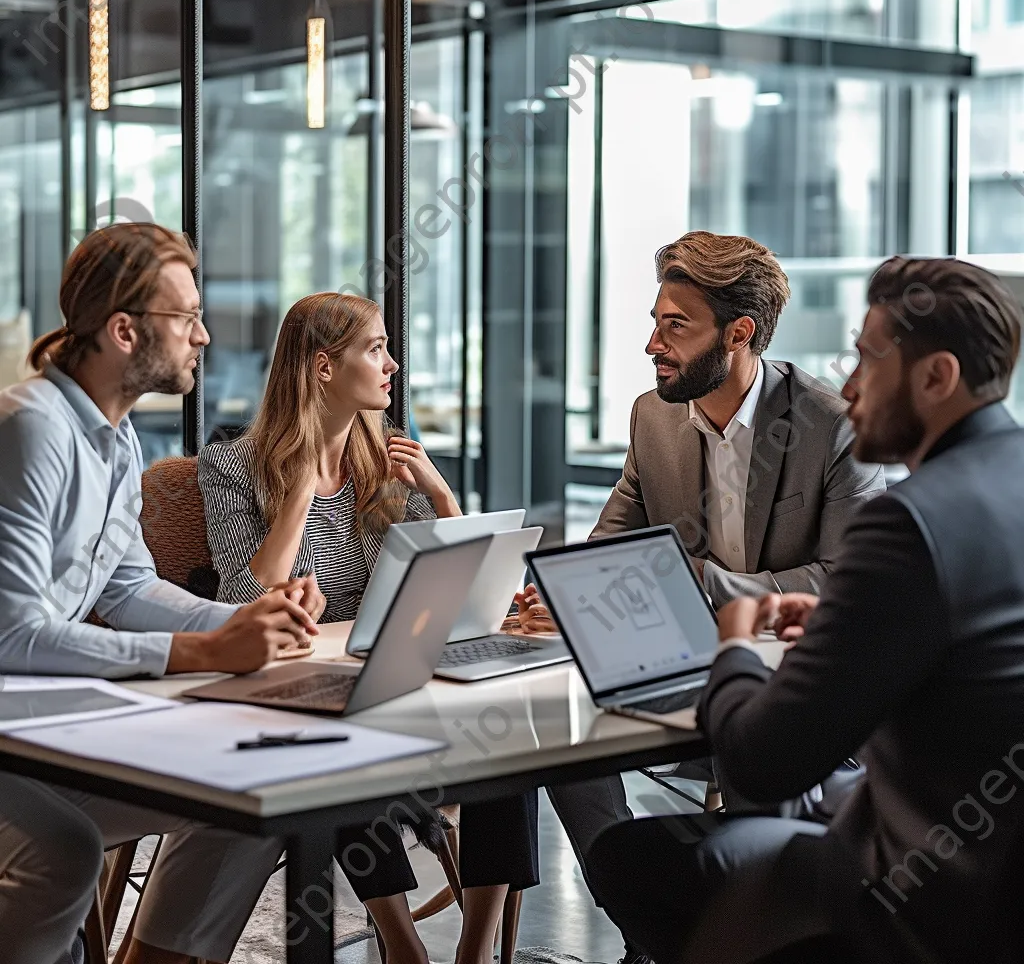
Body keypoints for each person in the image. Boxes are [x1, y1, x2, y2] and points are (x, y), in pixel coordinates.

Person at [586, 256, 1024, 964]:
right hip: (992, 870)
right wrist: (844, 623)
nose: (849, 387)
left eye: (867, 361)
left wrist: (732, 645)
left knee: (628, 855)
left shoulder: (909, 523)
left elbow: (762, 765)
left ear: (936, 377)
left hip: (917, 884)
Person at [510, 230, 885, 963]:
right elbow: (612, 543)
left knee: (760, 772)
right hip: (677, 662)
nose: (653, 343)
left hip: (791, 680)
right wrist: (564, 594)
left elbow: (849, 578)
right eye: (655, 322)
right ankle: (649, 939)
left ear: (739, 333)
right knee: (552, 739)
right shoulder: (653, 417)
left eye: (675, 326)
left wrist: (703, 583)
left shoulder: (829, 423)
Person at [0, 223, 323, 964]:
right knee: (61, 850)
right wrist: (203, 650)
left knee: (244, 795)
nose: (204, 336)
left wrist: (248, 619)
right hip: (13, 731)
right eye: (187, 318)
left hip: (34, 724)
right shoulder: (31, 431)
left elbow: (126, 584)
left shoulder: (113, 439)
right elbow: (11, 634)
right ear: (123, 331)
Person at [197, 291, 539, 964]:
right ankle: (402, 942)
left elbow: (463, 590)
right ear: (324, 367)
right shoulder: (230, 467)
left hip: (404, 670)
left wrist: (440, 497)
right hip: (312, 682)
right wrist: (299, 490)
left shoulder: (387, 462)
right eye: (376, 349)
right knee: (344, 738)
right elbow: (243, 595)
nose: (394, 366)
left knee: (516, 737)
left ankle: (473, 953)